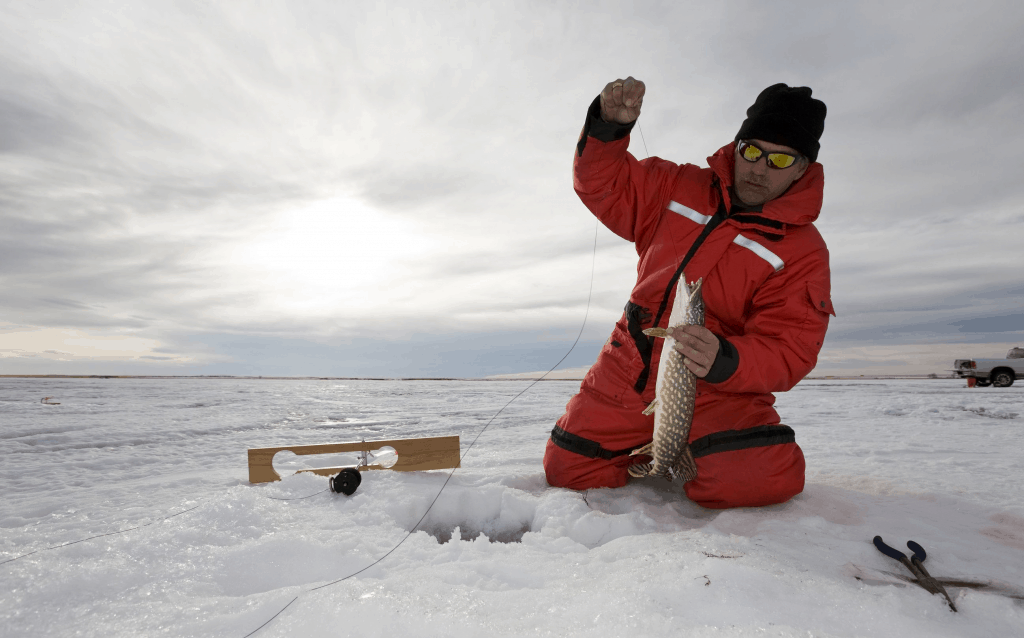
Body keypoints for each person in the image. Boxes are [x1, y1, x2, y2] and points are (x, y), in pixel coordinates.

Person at [543, 78, 834, 509]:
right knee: (568, 470)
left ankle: (690, 450)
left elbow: (790, 349)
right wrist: (608, 128)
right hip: (630, 364)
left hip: (719, 389)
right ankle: (652, 449)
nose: (758, 168)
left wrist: (725, 359)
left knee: (762, 477)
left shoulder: (803, 252)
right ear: (736, 147)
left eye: (779, 159)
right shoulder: (676, 185)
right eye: (751, 151)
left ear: (801, 168)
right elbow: (602, 184)